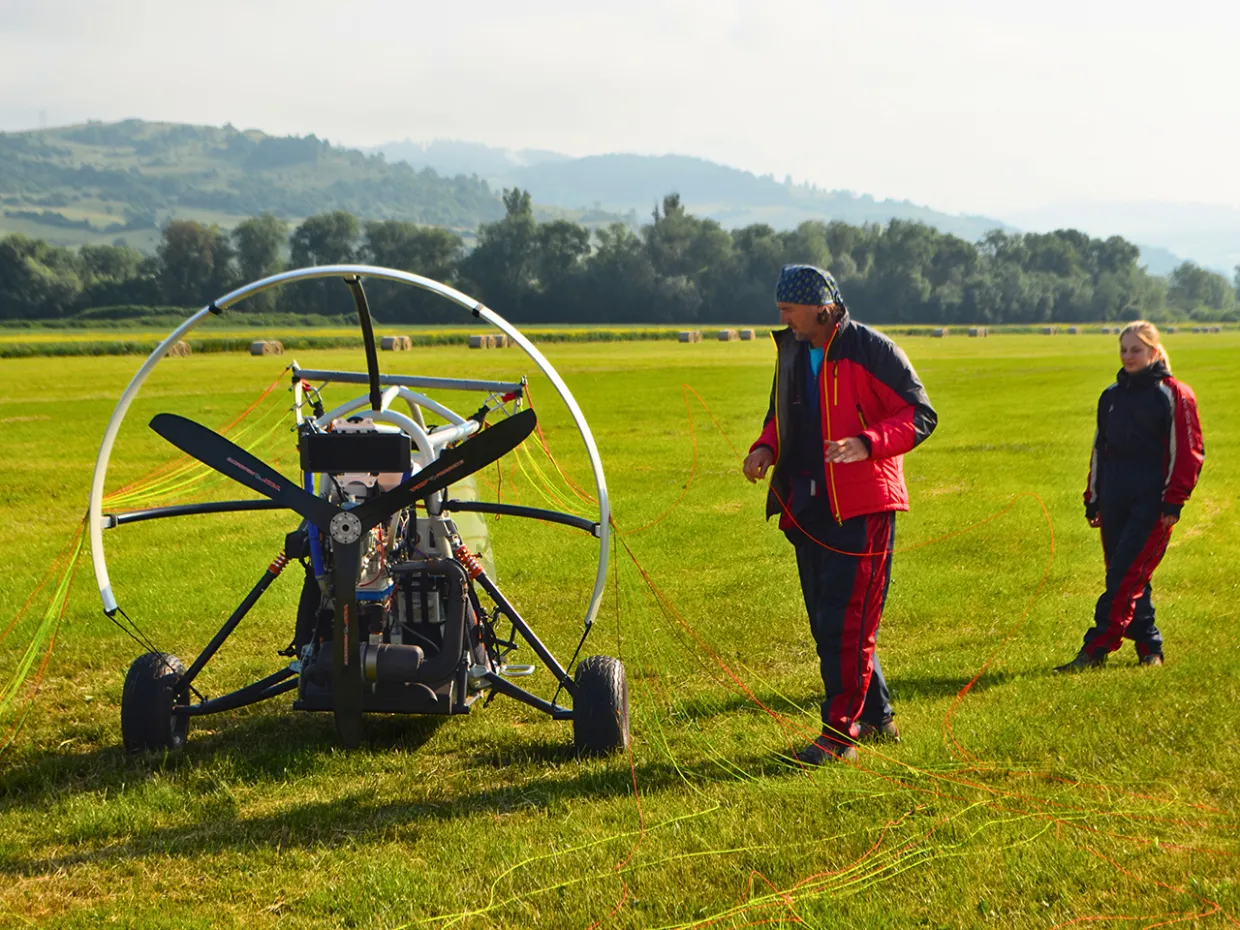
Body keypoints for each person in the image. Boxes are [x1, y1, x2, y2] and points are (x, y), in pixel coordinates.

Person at [743, 265, 937, 764]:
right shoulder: (789, 349)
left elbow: (920, 415)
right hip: (806, 506)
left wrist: (867, 443)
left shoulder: (871, 350)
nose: (782, 315)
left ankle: (840, 735)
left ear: (823, 307)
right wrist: (765, 449)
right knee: (826, 621)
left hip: (863, 506)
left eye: (790, 308)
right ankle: (877, 718)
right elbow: (778, 417)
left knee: (846, 625)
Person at [1056, 321, 1204, 672]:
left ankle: (1096, 648)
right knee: (1130, 575)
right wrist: (1093, 497)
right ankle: (1149, 646)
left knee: (1125, 573)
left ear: (1153, 351)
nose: (1128, 356)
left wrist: (1174, 501)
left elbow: (1189, 451)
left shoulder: (1175, 394)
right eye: (1123, 349)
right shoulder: (1110, 395)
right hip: (1114, 499)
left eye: (1136, 349)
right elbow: (1099, 449)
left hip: (1153, 501)